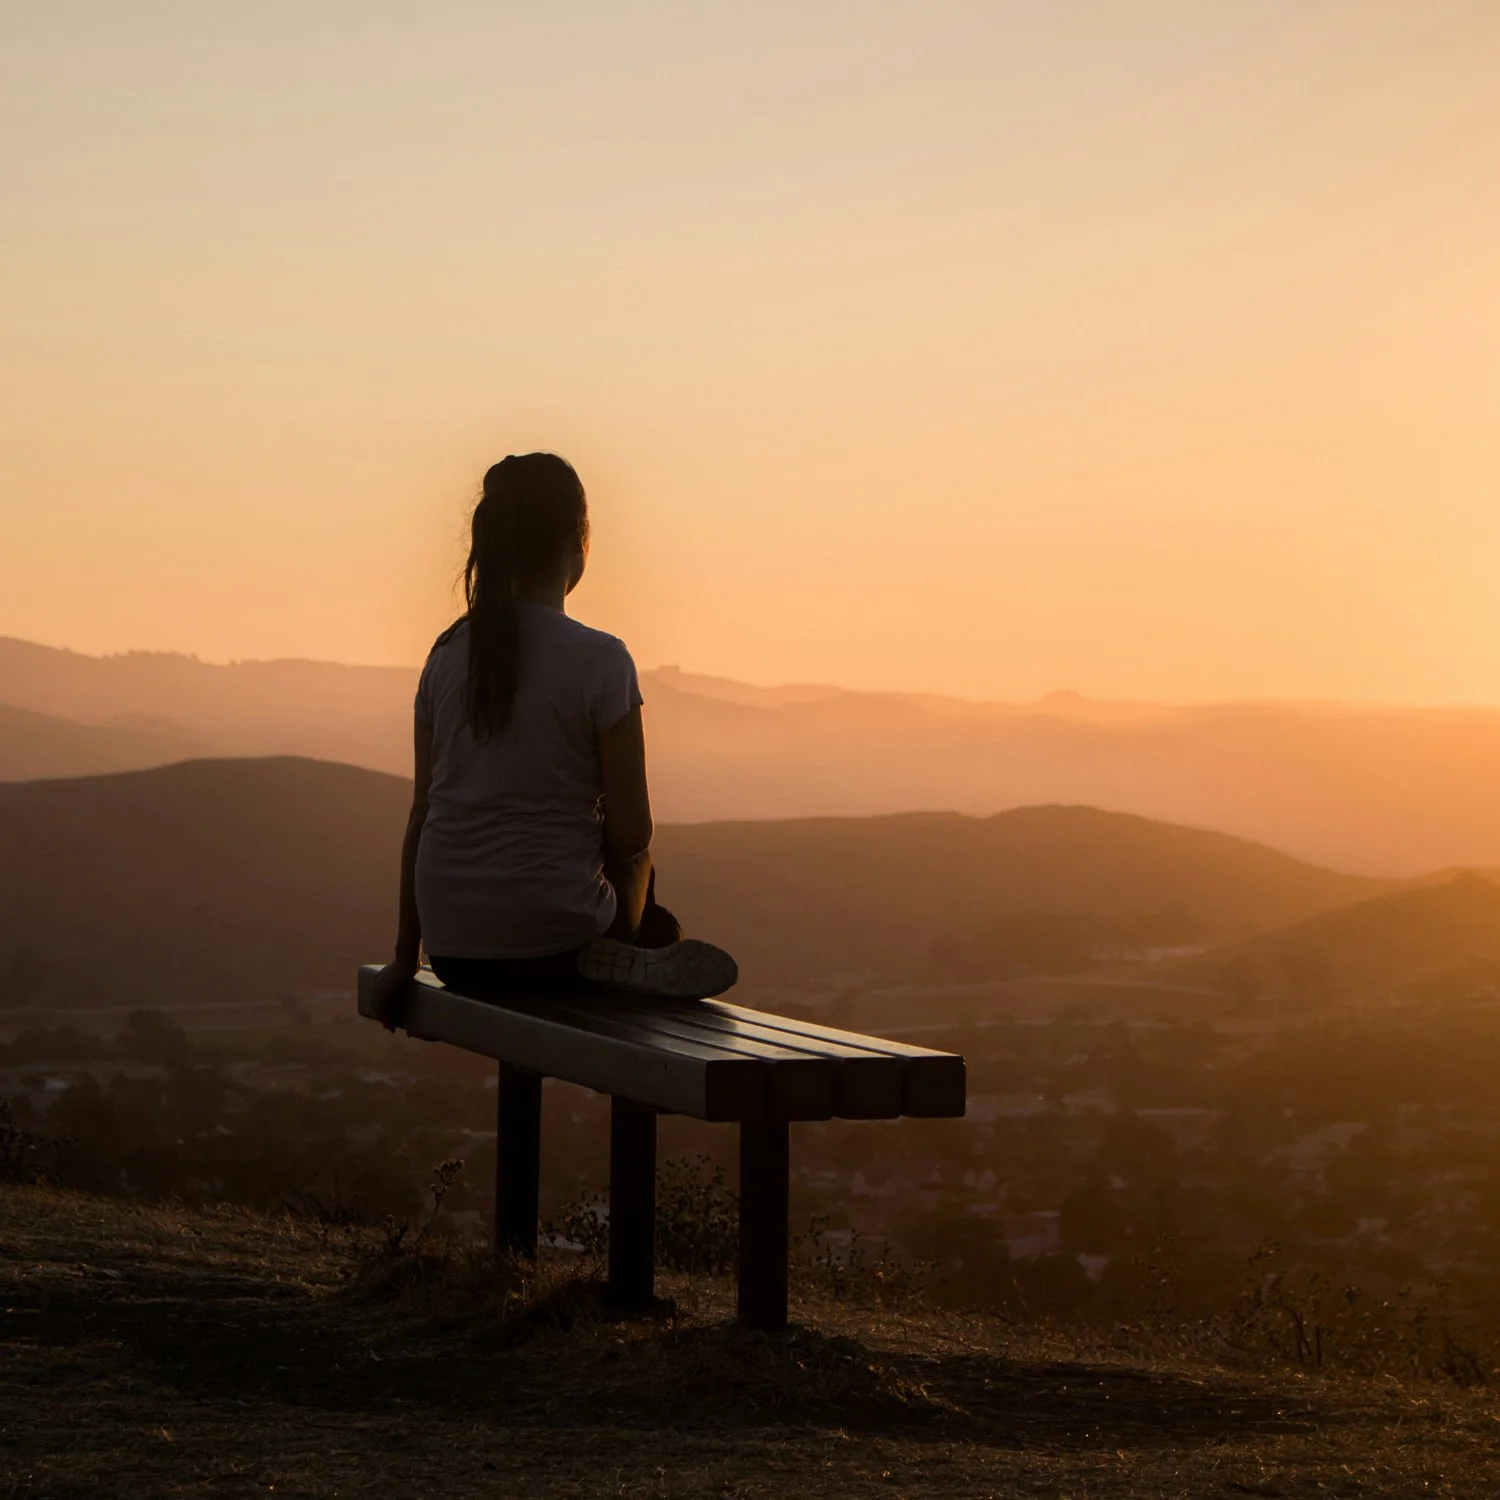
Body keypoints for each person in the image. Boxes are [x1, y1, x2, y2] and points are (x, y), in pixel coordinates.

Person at [369, 453, 736, 1028]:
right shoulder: (601, 659)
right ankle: (641, 948)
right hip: (561, 948)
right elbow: (632, 832)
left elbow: (422, 818)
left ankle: (635, 949)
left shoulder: (444, 657)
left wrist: (402, 959)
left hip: (454, 953)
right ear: (578, 542)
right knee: (640, 863)